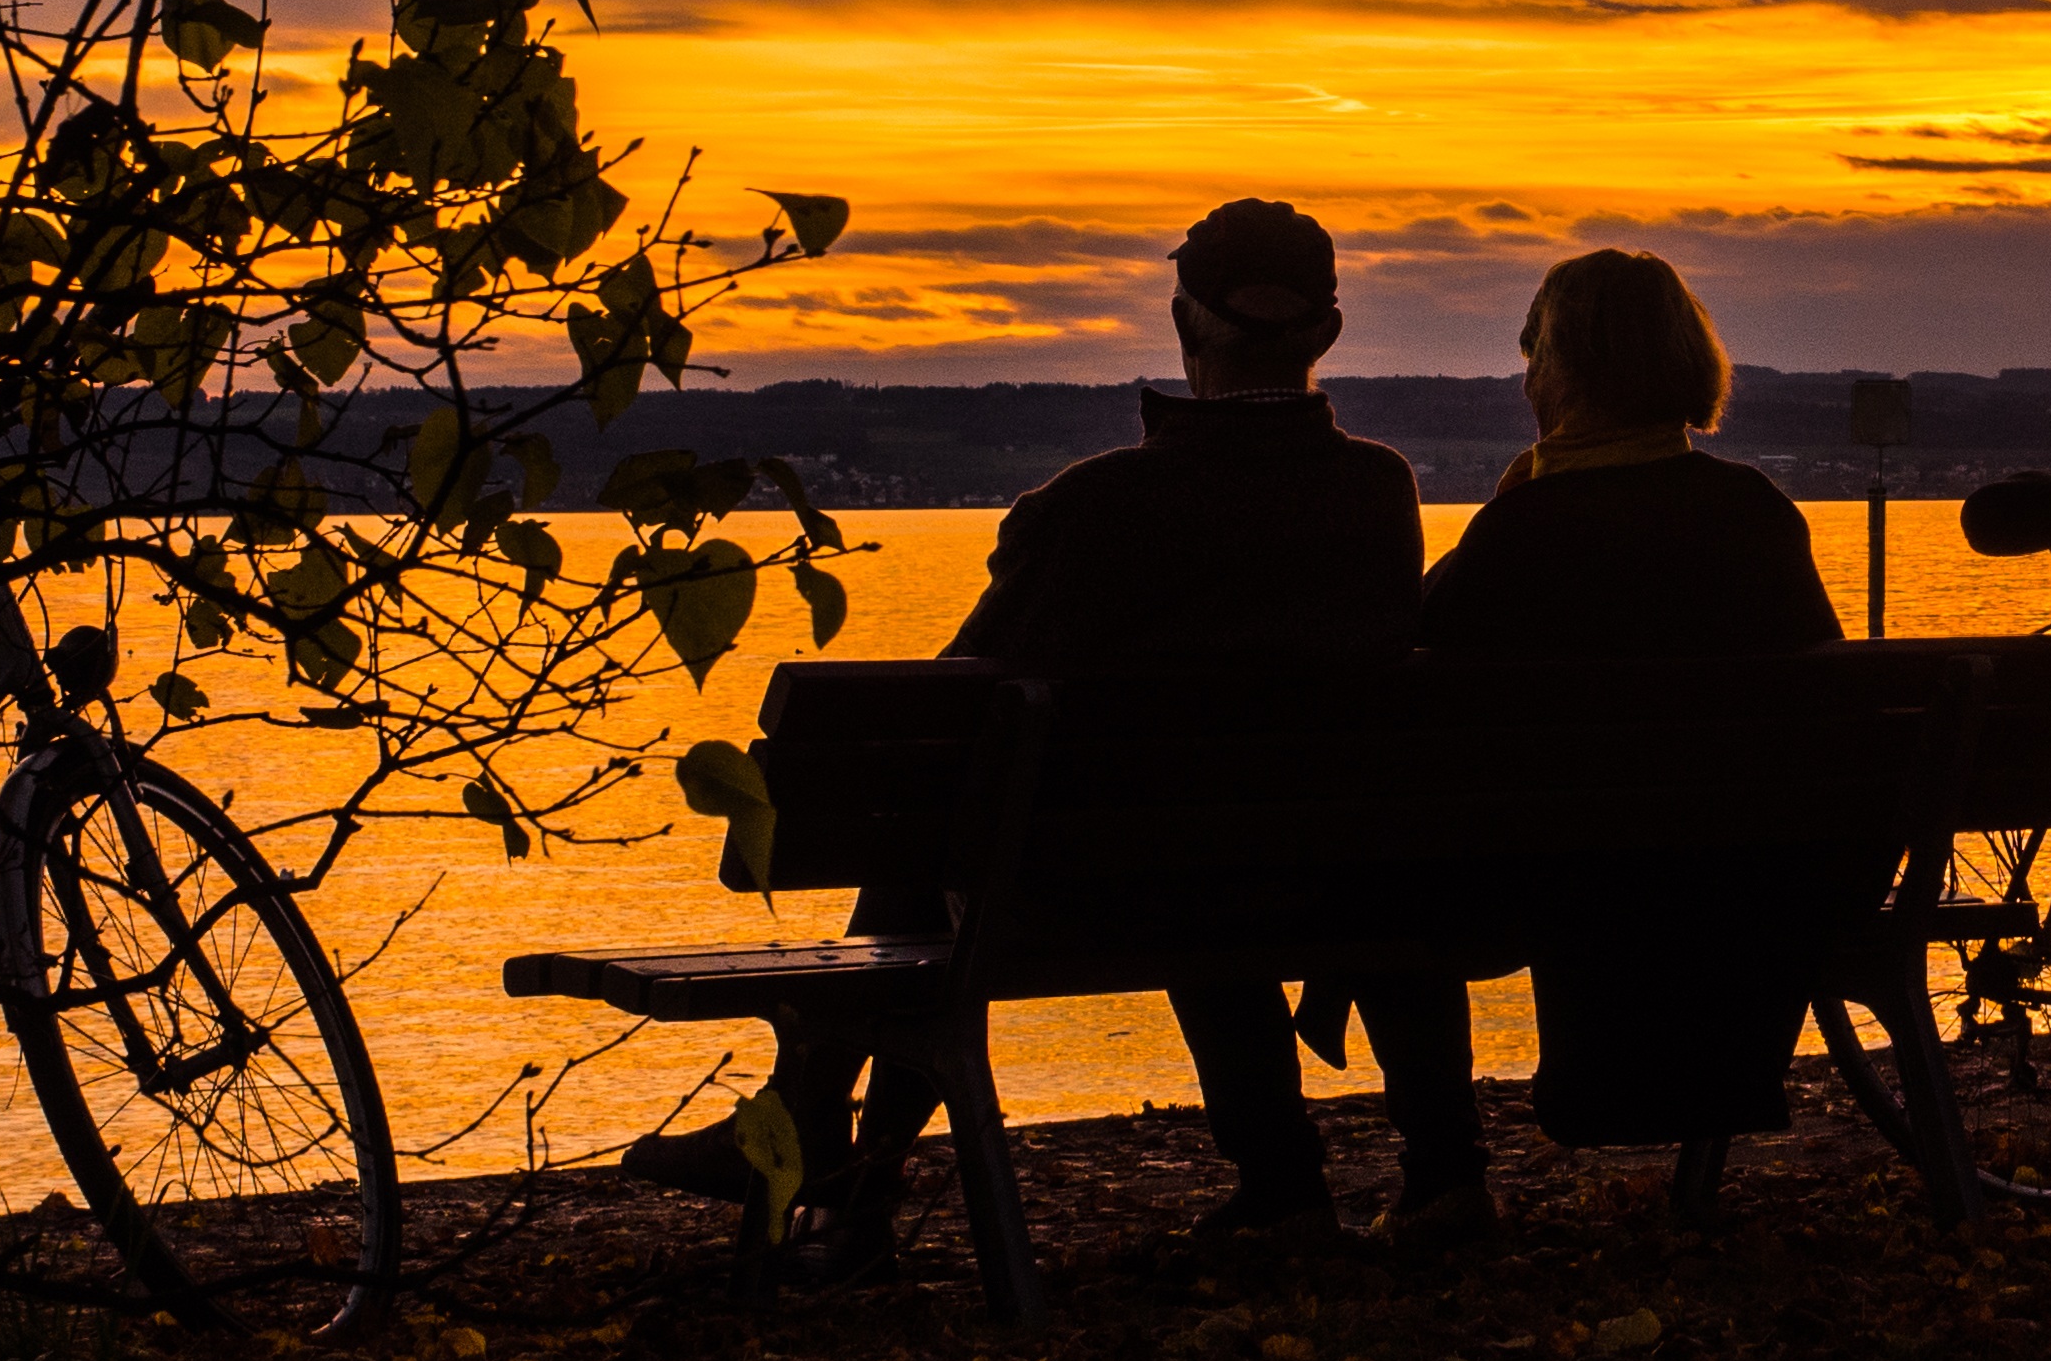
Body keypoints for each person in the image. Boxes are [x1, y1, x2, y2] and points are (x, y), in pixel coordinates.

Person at [622, 200, 1486, 1262]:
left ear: (1184, 322)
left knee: (941, 827)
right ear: (1329, 332)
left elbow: (947, 705)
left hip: (1127, 889)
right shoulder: (1377, 491)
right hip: (1339, 875)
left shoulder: (1097, 504)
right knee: (1025, 834)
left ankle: (832, 1158)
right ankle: (1323, 1184)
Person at [1417, 249, 1846, 1209]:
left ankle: (1441, 1176)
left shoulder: (1526, 531)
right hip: (1760, 880)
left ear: (1560, 369)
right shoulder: (1757, 514)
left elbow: (1417, 654)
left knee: (1393, 874)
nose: (1525, 377)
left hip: (1578, 881)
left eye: (1530, 353)